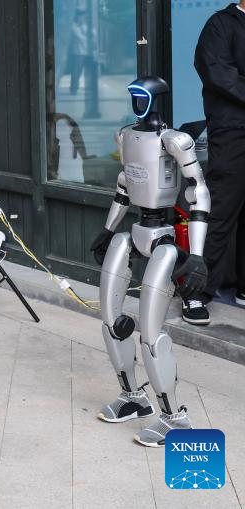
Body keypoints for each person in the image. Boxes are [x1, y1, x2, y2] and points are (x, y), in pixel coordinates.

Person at [89, 77, 208, 446]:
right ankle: (132, 398)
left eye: (141, 96)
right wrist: (108, 230)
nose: (136, 101)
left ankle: (175, 418)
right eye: (133, 95)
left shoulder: (174, 140)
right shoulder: (126, 135)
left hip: (164, 240)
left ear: (156, 98)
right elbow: (124, 185)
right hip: (133, 231)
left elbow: (198, 191)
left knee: (151, 334)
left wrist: (197, 256)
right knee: (111, 319)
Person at [192, 0, 245, 325]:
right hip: (233, 132)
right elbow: (219, 75)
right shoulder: (220, 25)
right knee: (220, 213)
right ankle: (195, 292)